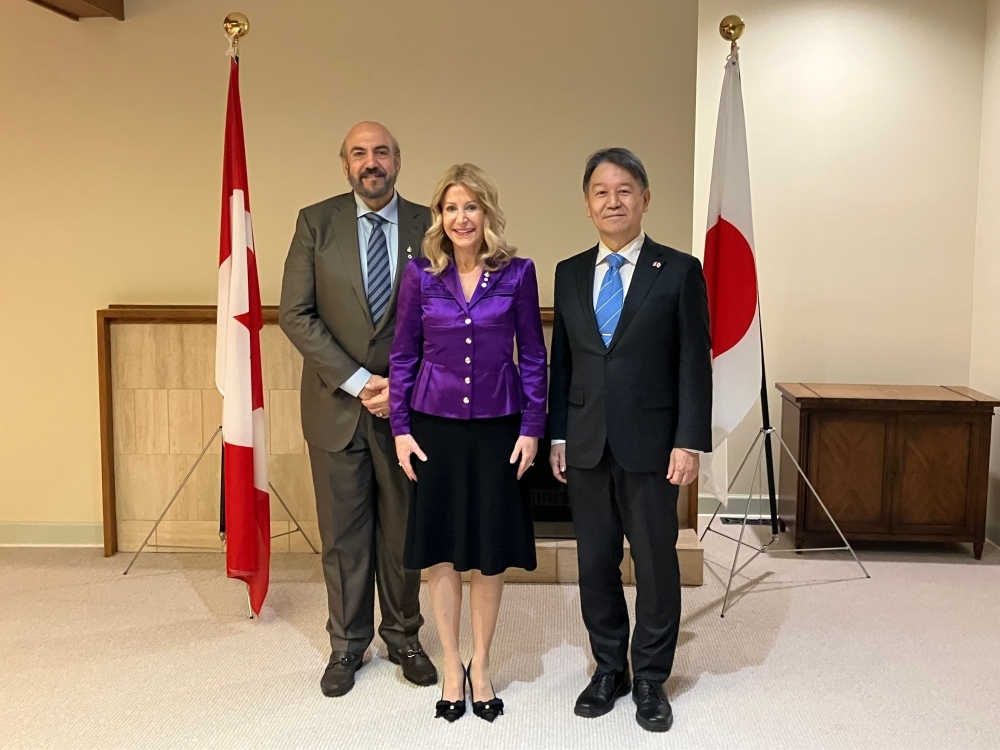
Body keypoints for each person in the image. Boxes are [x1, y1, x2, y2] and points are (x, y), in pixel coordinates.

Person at [548, 148, 712, 732]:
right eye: (600, 191)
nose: (612, 201)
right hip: (586, 442)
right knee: (594, 563)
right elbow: (561, 362)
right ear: (588, 204)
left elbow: (695, 362)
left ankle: (649, 677)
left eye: (624, 190)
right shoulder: (569, 272)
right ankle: (607, 668)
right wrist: (558, 434)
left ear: (645, 199)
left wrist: (688, 441)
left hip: (653, 444)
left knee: (654, 563)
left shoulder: (680, 270)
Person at [279, 121, 437, 698]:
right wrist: (360, 380)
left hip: (409, 409)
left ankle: (404, 637)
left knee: (402, 531)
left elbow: (446, 314)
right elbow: (295, 313)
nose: (371, 162)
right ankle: (347, 645)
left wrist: (399, 384)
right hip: (336, 406)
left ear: (399, 160)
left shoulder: (431, 223)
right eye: (359, 153)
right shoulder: (314, 223)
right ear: (344, 163)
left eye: (382, 152)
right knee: (344, 534)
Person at [390, 163, 547, 723]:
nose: (461, 218)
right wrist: (401, 430)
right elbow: (403, 356)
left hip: (497, 427)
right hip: (434, 428)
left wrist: (532, 428)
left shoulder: (518, 272)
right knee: (442, 553)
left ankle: (482, 663)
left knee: (488, 552)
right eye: (451, 208)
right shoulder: (420, 276)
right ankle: (451, 663)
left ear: (487, 214)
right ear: (439, 217)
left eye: (471, 207)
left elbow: (532, 354)